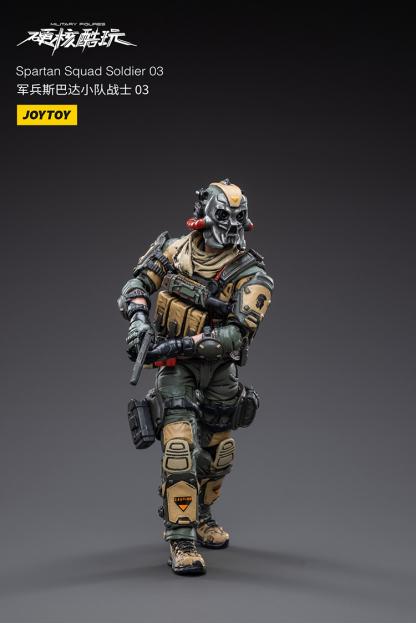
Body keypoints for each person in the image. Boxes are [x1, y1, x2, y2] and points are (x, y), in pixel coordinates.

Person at [119, 179, 273, 575]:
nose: (232, 226)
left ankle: (202, 515)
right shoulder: (175, 250)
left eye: (238, 218)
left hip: (218, 370)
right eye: (224, 216)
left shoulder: (251, 272)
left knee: (219, 453)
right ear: (204, 215)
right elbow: (136, 284)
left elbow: (237, 334)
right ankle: (181, 539)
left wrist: (179, 344)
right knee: (178, 449)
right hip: (177, 371)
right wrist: (137, 320)